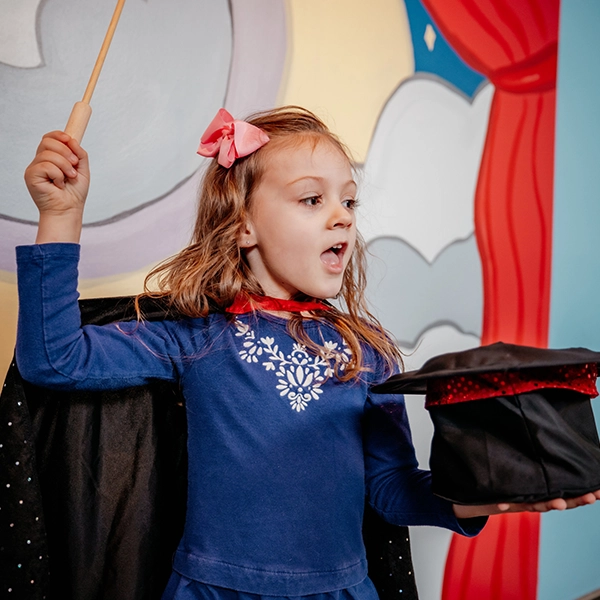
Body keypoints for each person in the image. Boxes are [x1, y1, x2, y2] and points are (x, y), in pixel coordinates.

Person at [17, 106, 599, 600]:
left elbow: (391, 491)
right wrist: (61, 215)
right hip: (213, 589)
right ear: (243, 225)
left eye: (349, 201)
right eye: (312, 199)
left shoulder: (366, 354)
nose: (342, 215)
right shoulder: (195, 337)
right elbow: (55, 360)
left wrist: (486, 500)